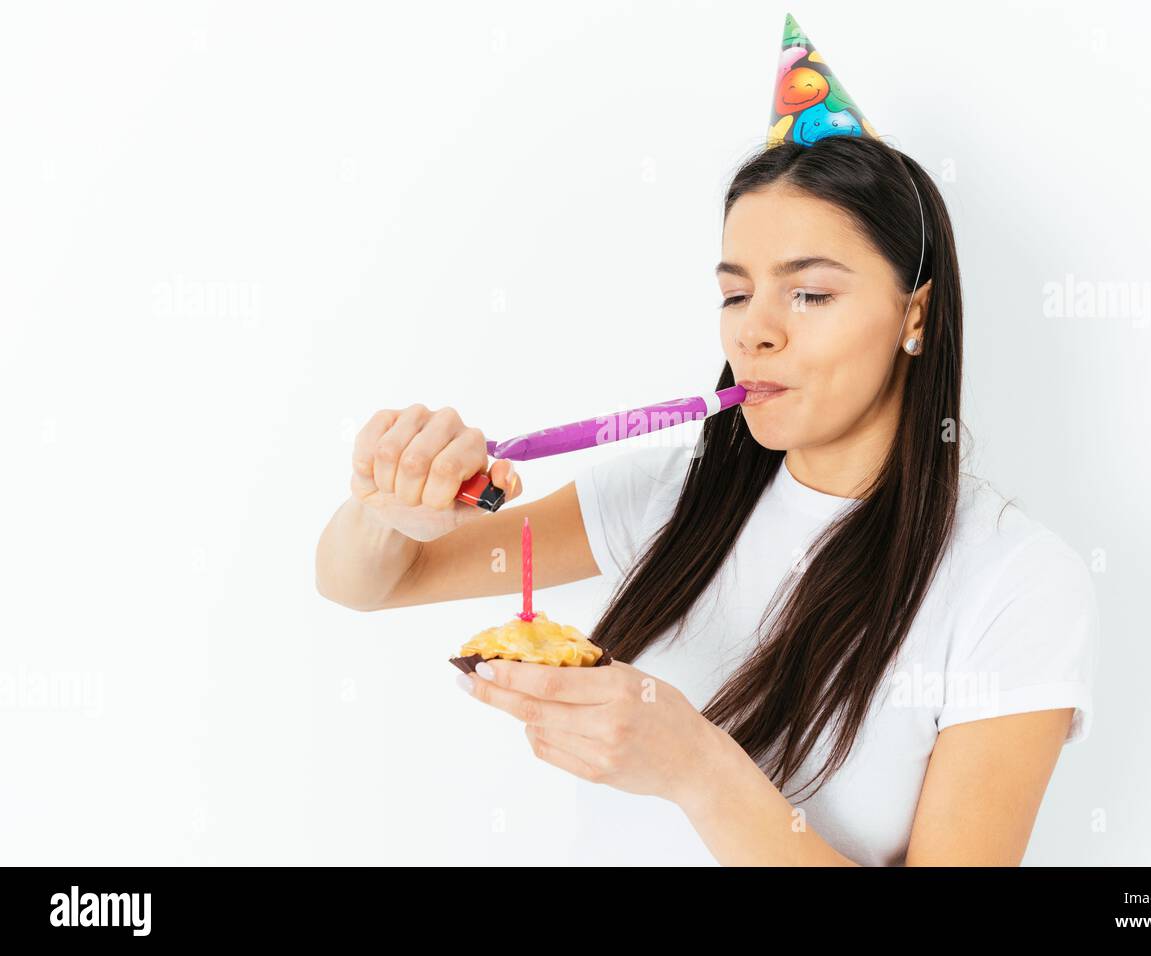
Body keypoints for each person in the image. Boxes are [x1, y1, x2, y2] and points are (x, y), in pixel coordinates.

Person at [315, 19, 1098, 867]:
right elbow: (367, 583)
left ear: (915, 313)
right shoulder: (669, 496)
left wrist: (694, 766)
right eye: (736, 294)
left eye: (809, 295)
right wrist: (391, 506)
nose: (754, 334)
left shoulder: (1014, 583)